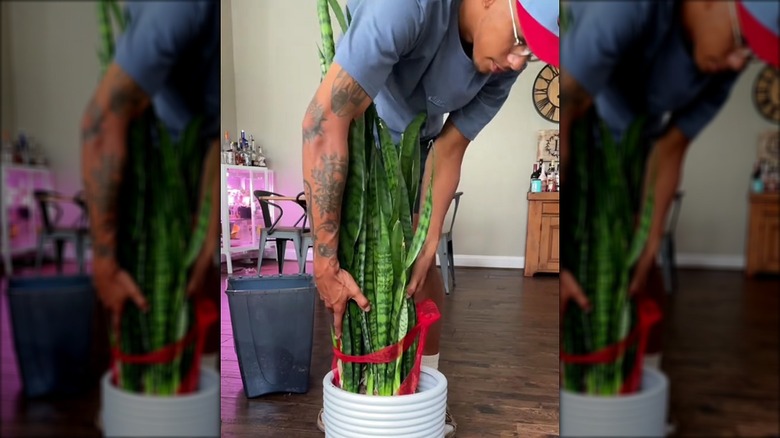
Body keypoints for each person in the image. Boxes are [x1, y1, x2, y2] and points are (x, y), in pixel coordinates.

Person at [301, 0, 559, 435]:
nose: (519, 61)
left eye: (530, 54)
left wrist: (427, 233)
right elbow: (323, 122)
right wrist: (323, 259)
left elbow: (450, 147)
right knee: (351, 275)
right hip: (356, 139)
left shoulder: (503, 69)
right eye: (520, 40)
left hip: (417, 145)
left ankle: (423, 395)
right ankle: (356, 393)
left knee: (422, 273)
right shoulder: (406, 7)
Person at [558, 0, 778, 431]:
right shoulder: (624, 10)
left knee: (644, 280)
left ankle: (638, 401)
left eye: (749, 55)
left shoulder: (723, 68)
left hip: (634, 156)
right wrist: (564, 254)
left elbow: (671, 146)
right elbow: (567, 110)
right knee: (578, 288)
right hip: (581, 150)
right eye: (740, 42)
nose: (738, 62)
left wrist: (649, 238)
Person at [80, 0, 221, 375]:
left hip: (193, 185)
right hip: (147, 189)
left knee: (194, 352)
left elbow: (212, 136)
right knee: (138, 337)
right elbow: (101, 123)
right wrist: (106, 262)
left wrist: (208, 228)